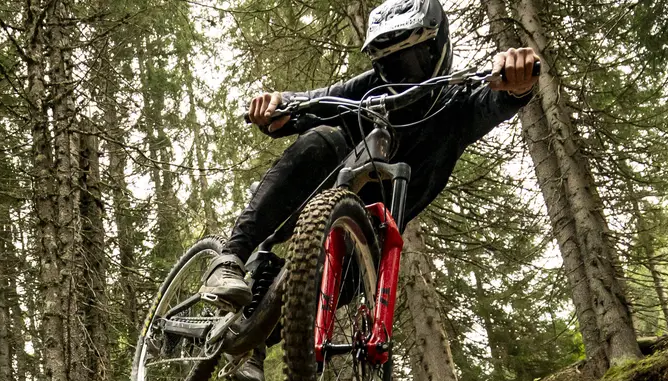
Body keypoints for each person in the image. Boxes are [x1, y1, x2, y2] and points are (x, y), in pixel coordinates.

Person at [203, 0, 541, 322]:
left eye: (413, 60)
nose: (403, 77)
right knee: (323, 139)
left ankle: (254, 339)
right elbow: (311, 102)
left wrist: (517, 80)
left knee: (326, 293)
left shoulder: (459, 105)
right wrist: (278, 106)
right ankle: (230, 257)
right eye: (392, 65)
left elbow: (495, 102)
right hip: (319, 196)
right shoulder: (369, 89)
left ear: (438, 47)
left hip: (373, 230)